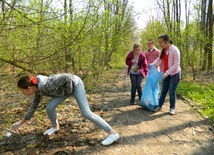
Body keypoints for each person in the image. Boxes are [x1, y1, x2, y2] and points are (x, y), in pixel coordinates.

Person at [11, 73, 120, 145]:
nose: (23, 93)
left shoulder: (45, 85)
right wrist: (21, 123)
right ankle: (55, 127)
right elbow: (33, 107)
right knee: (49, 107)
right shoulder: (38, 91)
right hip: (65, 89)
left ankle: (112, 133)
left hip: (75, 83)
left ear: (29, 88)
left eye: (23, 91)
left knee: (86, 112)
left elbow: (68, 78)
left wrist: (69, 91)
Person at [152, 34, 181, 115]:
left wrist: (167, 73)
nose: (159, 44)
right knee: (163, 91)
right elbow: (159, 59)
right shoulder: (163, 50)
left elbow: (176, 64)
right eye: (159, 43)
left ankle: (172, 108)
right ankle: (159, 106)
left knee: (171, 92)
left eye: (161, 42)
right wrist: (153, 64)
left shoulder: (175, 50)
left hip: (174, 74)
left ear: (166, 42)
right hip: (165, 73)